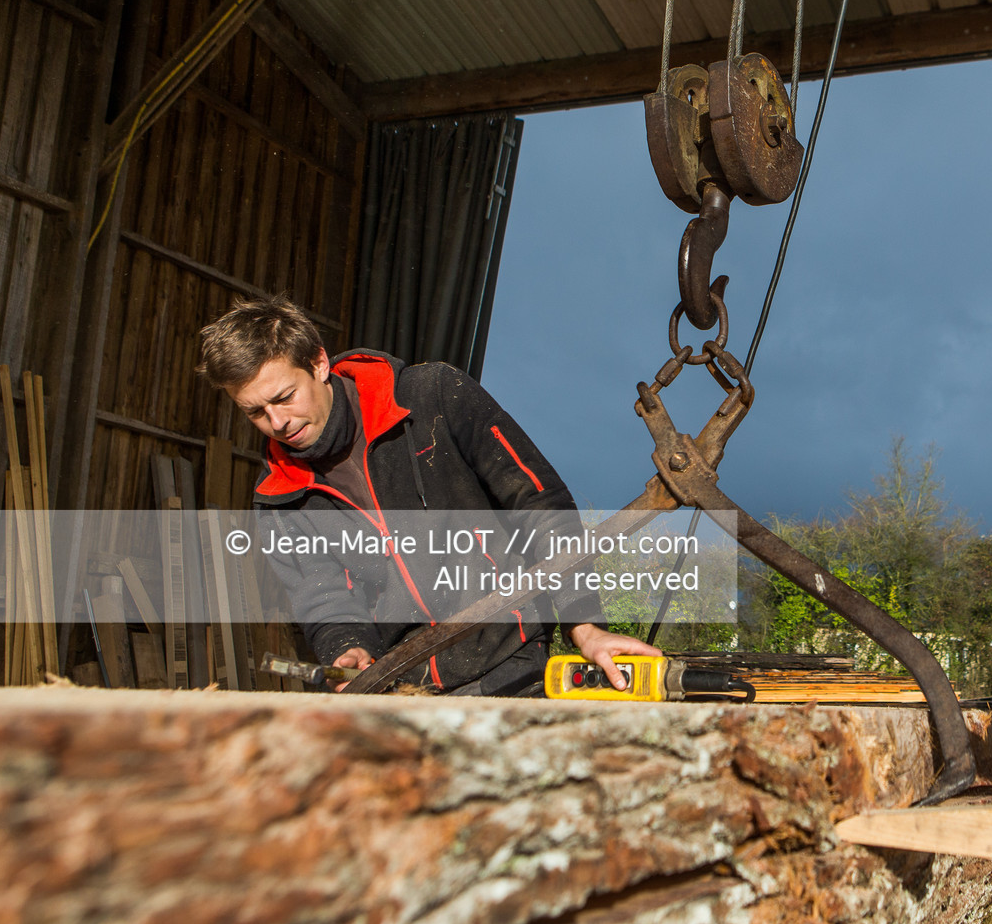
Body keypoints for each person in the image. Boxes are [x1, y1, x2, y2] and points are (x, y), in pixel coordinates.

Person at [196, 294, 658, 694]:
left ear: (318, 363)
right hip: (407, 685)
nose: (277, 423)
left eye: (284, 397)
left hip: (513, 659)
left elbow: (537, 503)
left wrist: (585, 625)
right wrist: (347, 648)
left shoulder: (433, 395)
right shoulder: (279, 499)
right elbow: (322, 595)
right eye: (255, 412)